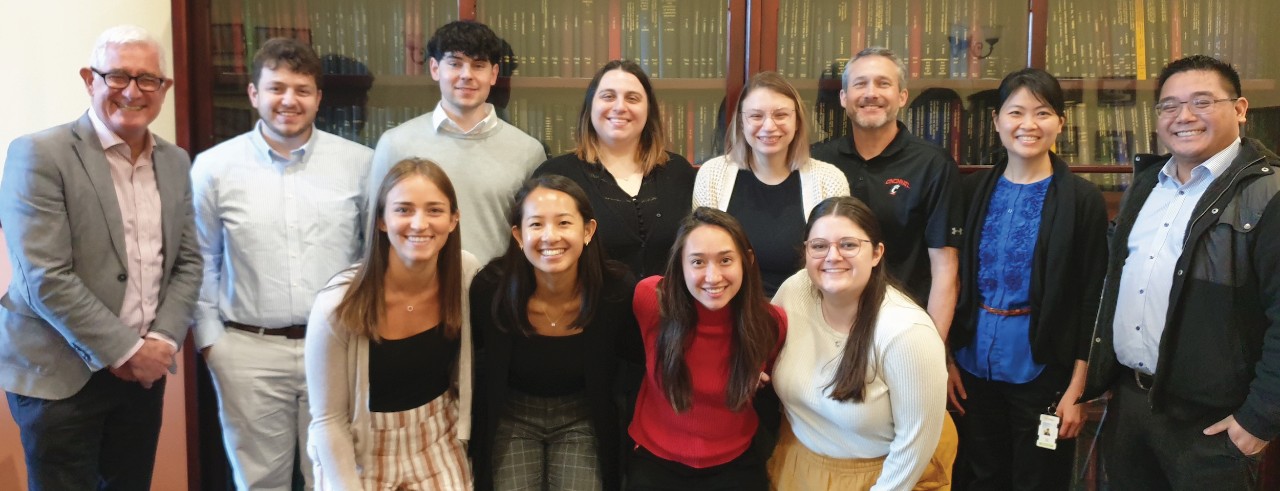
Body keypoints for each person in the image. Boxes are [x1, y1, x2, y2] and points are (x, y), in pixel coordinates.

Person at [0, 25, 201, 490]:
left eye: (148, 79)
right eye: (117, 76)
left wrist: (164, 342)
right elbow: (44, 277)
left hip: (142, 376)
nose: (132, 91)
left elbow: (188, 262)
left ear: (164, 89)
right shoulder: (39, 154)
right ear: (89, 79)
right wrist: (128, 351)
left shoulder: (175, 162)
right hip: (60, 375)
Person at [1082, 55, 1280, 489]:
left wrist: (1258, 421)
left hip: (1212, 429)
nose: (1183, 116)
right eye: (1169, 106)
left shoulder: (1269, 195)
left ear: (1241, 109)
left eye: (1202, 102)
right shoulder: (1147, 184)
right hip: (1131, 407)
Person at [190, 37, 372, 491]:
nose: (288, 100)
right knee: (258, 482)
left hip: (338, 347)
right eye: (276, 88)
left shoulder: (361, 164)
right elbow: (199, 261)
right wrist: (213, 344)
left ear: (318, 98)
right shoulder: (213, 168)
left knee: (334, 479)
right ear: (254, 94)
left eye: (302, 89)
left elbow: (371, 257)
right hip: (248, 351)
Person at [948, 68, 1108, 490]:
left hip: (1045, 369)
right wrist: (947, 357)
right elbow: (951, 282)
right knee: (978, 474)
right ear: (997, 120)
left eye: (1042, 113)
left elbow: (1094, 297)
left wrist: (1078, 389)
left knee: (1041, 479)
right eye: (1016, 112)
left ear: (1060, 122)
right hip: (972, 365)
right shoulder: (971, 191)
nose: (1028, 125)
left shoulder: (1083, 200)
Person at [306, 158, 482, 490]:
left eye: (434, 211)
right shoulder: (337, 305)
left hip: (437, 435)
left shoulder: (465, 273)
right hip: (362, 444)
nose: (419, 224)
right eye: (403, 210)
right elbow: (328, 420)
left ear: (453, 219)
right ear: (382, 221)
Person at [770, 196, 953, 490]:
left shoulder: (907, 332)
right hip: (798, 461)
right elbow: (763, 350)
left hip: (883, 476)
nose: (832, 256)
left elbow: (915, 445)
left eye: (848, 245)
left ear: (877, 253)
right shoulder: (795, 290)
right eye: (819, 246)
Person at [469, 175, 640, 491]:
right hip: (513, 415)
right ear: (519, 236)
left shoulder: (615, 291)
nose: (550, 236)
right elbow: (467, 359)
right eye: (536, 225)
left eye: (564, 223)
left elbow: (643, 359)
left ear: (587, 231)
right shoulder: (490, 290)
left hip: (582, 416)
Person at [628, 207, 787, 490]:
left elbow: (772, 381)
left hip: (736, 463)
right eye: (698, 262)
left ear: (747, 261)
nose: (713, 277)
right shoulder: (651, 300)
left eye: (726, 260)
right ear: (680, 265)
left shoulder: (770, 322)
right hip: (655, 460)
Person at [810, 47, 962, 341]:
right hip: (826, 328)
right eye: (860, 84)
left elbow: (945, 270)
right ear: (843, 98)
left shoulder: (932, 164)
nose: (871, 93)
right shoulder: (818, 160)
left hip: (903, 329)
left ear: (902, 96)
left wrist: (931, 348)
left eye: (883, 83)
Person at [369, 20, 545, 264]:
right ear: (434, 68)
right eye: (454, 64)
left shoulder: (528, 151)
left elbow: (536, 233)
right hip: (417, 291)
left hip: (495, 293)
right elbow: (372, 233)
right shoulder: (395, 144)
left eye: (478, 65)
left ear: (493, 74)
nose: (466, 75)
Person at [534, 60, 696, 279]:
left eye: (632, 98)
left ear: (649, 110)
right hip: (589, 312)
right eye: (608, 96)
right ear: (590, 107)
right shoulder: (556, 176)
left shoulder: (679, 172)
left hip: (669, 312)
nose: (620, 107)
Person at [694, 71, 849, 296]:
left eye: (781, 115)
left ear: (797, 121)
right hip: (730, 311)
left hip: (805, 311)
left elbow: (835, 265)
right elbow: (701, 257)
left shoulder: (829, 180)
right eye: (756, 116)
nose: (769, 126)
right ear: (741, 123)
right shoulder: (712, 175)